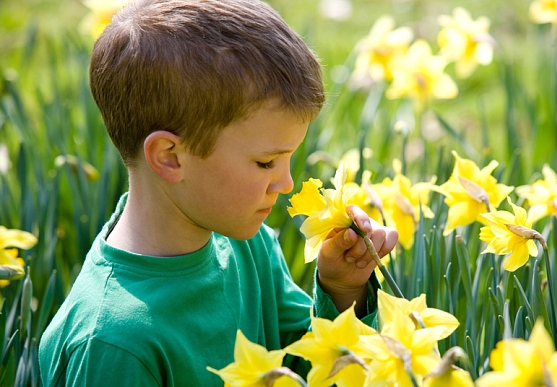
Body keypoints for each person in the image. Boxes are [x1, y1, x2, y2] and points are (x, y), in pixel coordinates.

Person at [39, 0, 398, 385]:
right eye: (266, 163)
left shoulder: (249, 246)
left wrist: (342, 289)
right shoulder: (114, 343)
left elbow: (306, 369)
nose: (287, 183)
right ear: (170, 158)